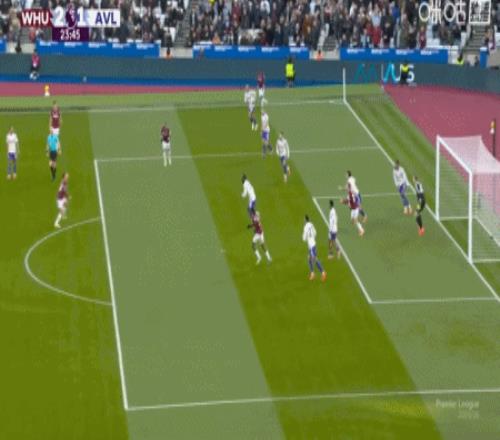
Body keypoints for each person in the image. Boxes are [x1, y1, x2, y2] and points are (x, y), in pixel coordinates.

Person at [302, 215, 326, 281]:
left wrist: (308, 238)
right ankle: (312, 273)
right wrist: (312, 238)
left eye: (304, 219)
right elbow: (315, 233)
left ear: (305, 220)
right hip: (313, 244)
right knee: (309, 259)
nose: (303, 221)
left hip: (311, 246)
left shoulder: (305, 227)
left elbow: (304, 238)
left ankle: (323, 272)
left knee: (314, 259)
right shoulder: (312, 224)